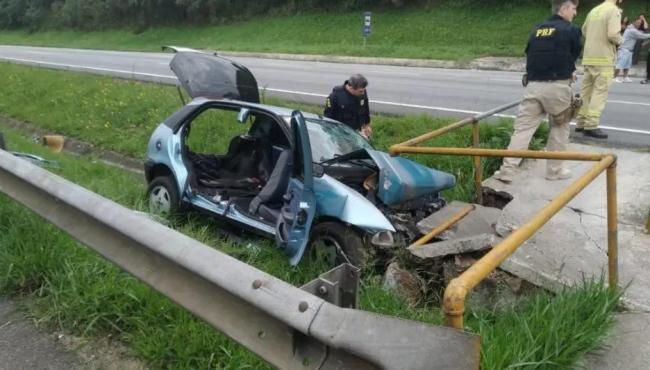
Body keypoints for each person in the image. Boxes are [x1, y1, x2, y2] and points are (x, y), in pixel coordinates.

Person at [493, 0, 582, 183]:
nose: (575, 13)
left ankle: (507, 171)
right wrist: (568, 71)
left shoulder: (537, 29)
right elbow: (572, 54)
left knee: (522, 130)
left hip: (533, 86)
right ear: (564, 8)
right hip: (557, 87)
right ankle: (554, 171)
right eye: (573, 9)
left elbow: (531, 53)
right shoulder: (571, 30)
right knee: (559, 128)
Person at [575, 0, 623, 139]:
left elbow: (584, 30)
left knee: (586, 92)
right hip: (604, 58)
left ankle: (581, 122)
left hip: (589, 57)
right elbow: (613, 34)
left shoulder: (594, 10)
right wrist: (621, 41)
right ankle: (591, 125)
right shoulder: (613, 10)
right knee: (599, 92)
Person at [324, 74, 372, 139]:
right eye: (360, 91)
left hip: (358, 131)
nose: (363, 93)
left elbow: (365, 108)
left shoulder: (362, 91)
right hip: (342, 134)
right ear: (351, 88)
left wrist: (367, 125)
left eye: (364, 90)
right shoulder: (335, 96)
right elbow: (328, 118)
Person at [614, 16, 650, 82]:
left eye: (640, 23)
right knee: (620, 65)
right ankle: (614, 78)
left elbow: (642, 32)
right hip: (624, 50)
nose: (639, 24)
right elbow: (642, 36)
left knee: (627, 65)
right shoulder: (632, 30)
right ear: (634, 22)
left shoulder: (633, 29)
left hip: (629, 50)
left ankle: (625, 77)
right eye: (638, 23)